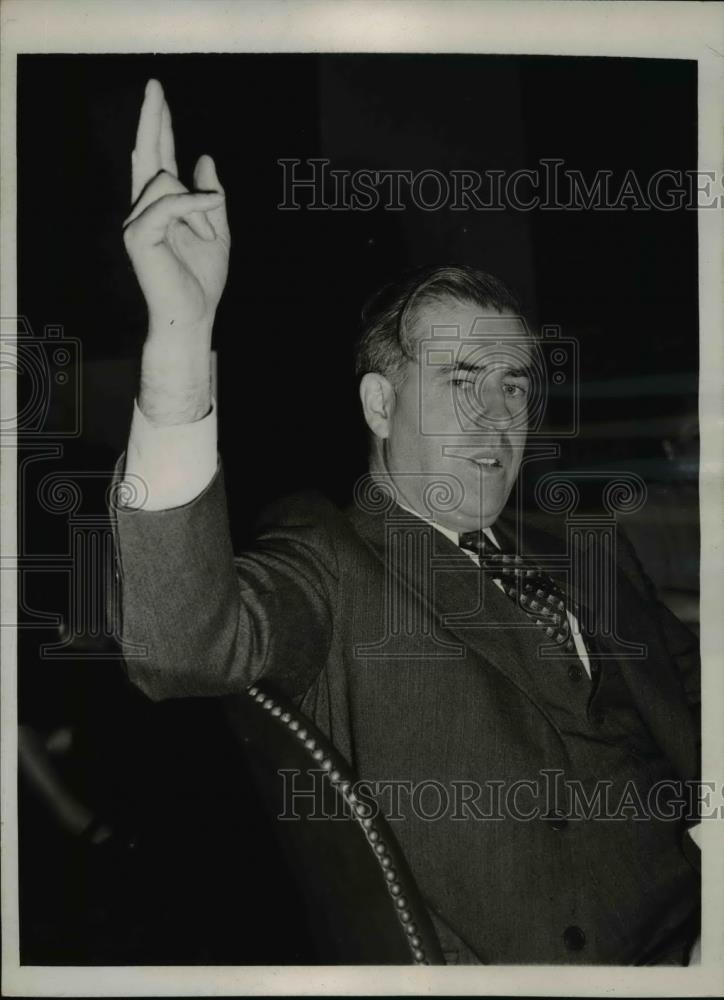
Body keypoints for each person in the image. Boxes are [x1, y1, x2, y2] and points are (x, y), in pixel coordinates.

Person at [113, 79, 701, 964]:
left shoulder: (575, 544)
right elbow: (178, 645)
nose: (499, 418)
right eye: (462, 381)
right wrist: (179, 340)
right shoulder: (333, 557)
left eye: (514, 387)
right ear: (381, 404)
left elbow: (685, 676)